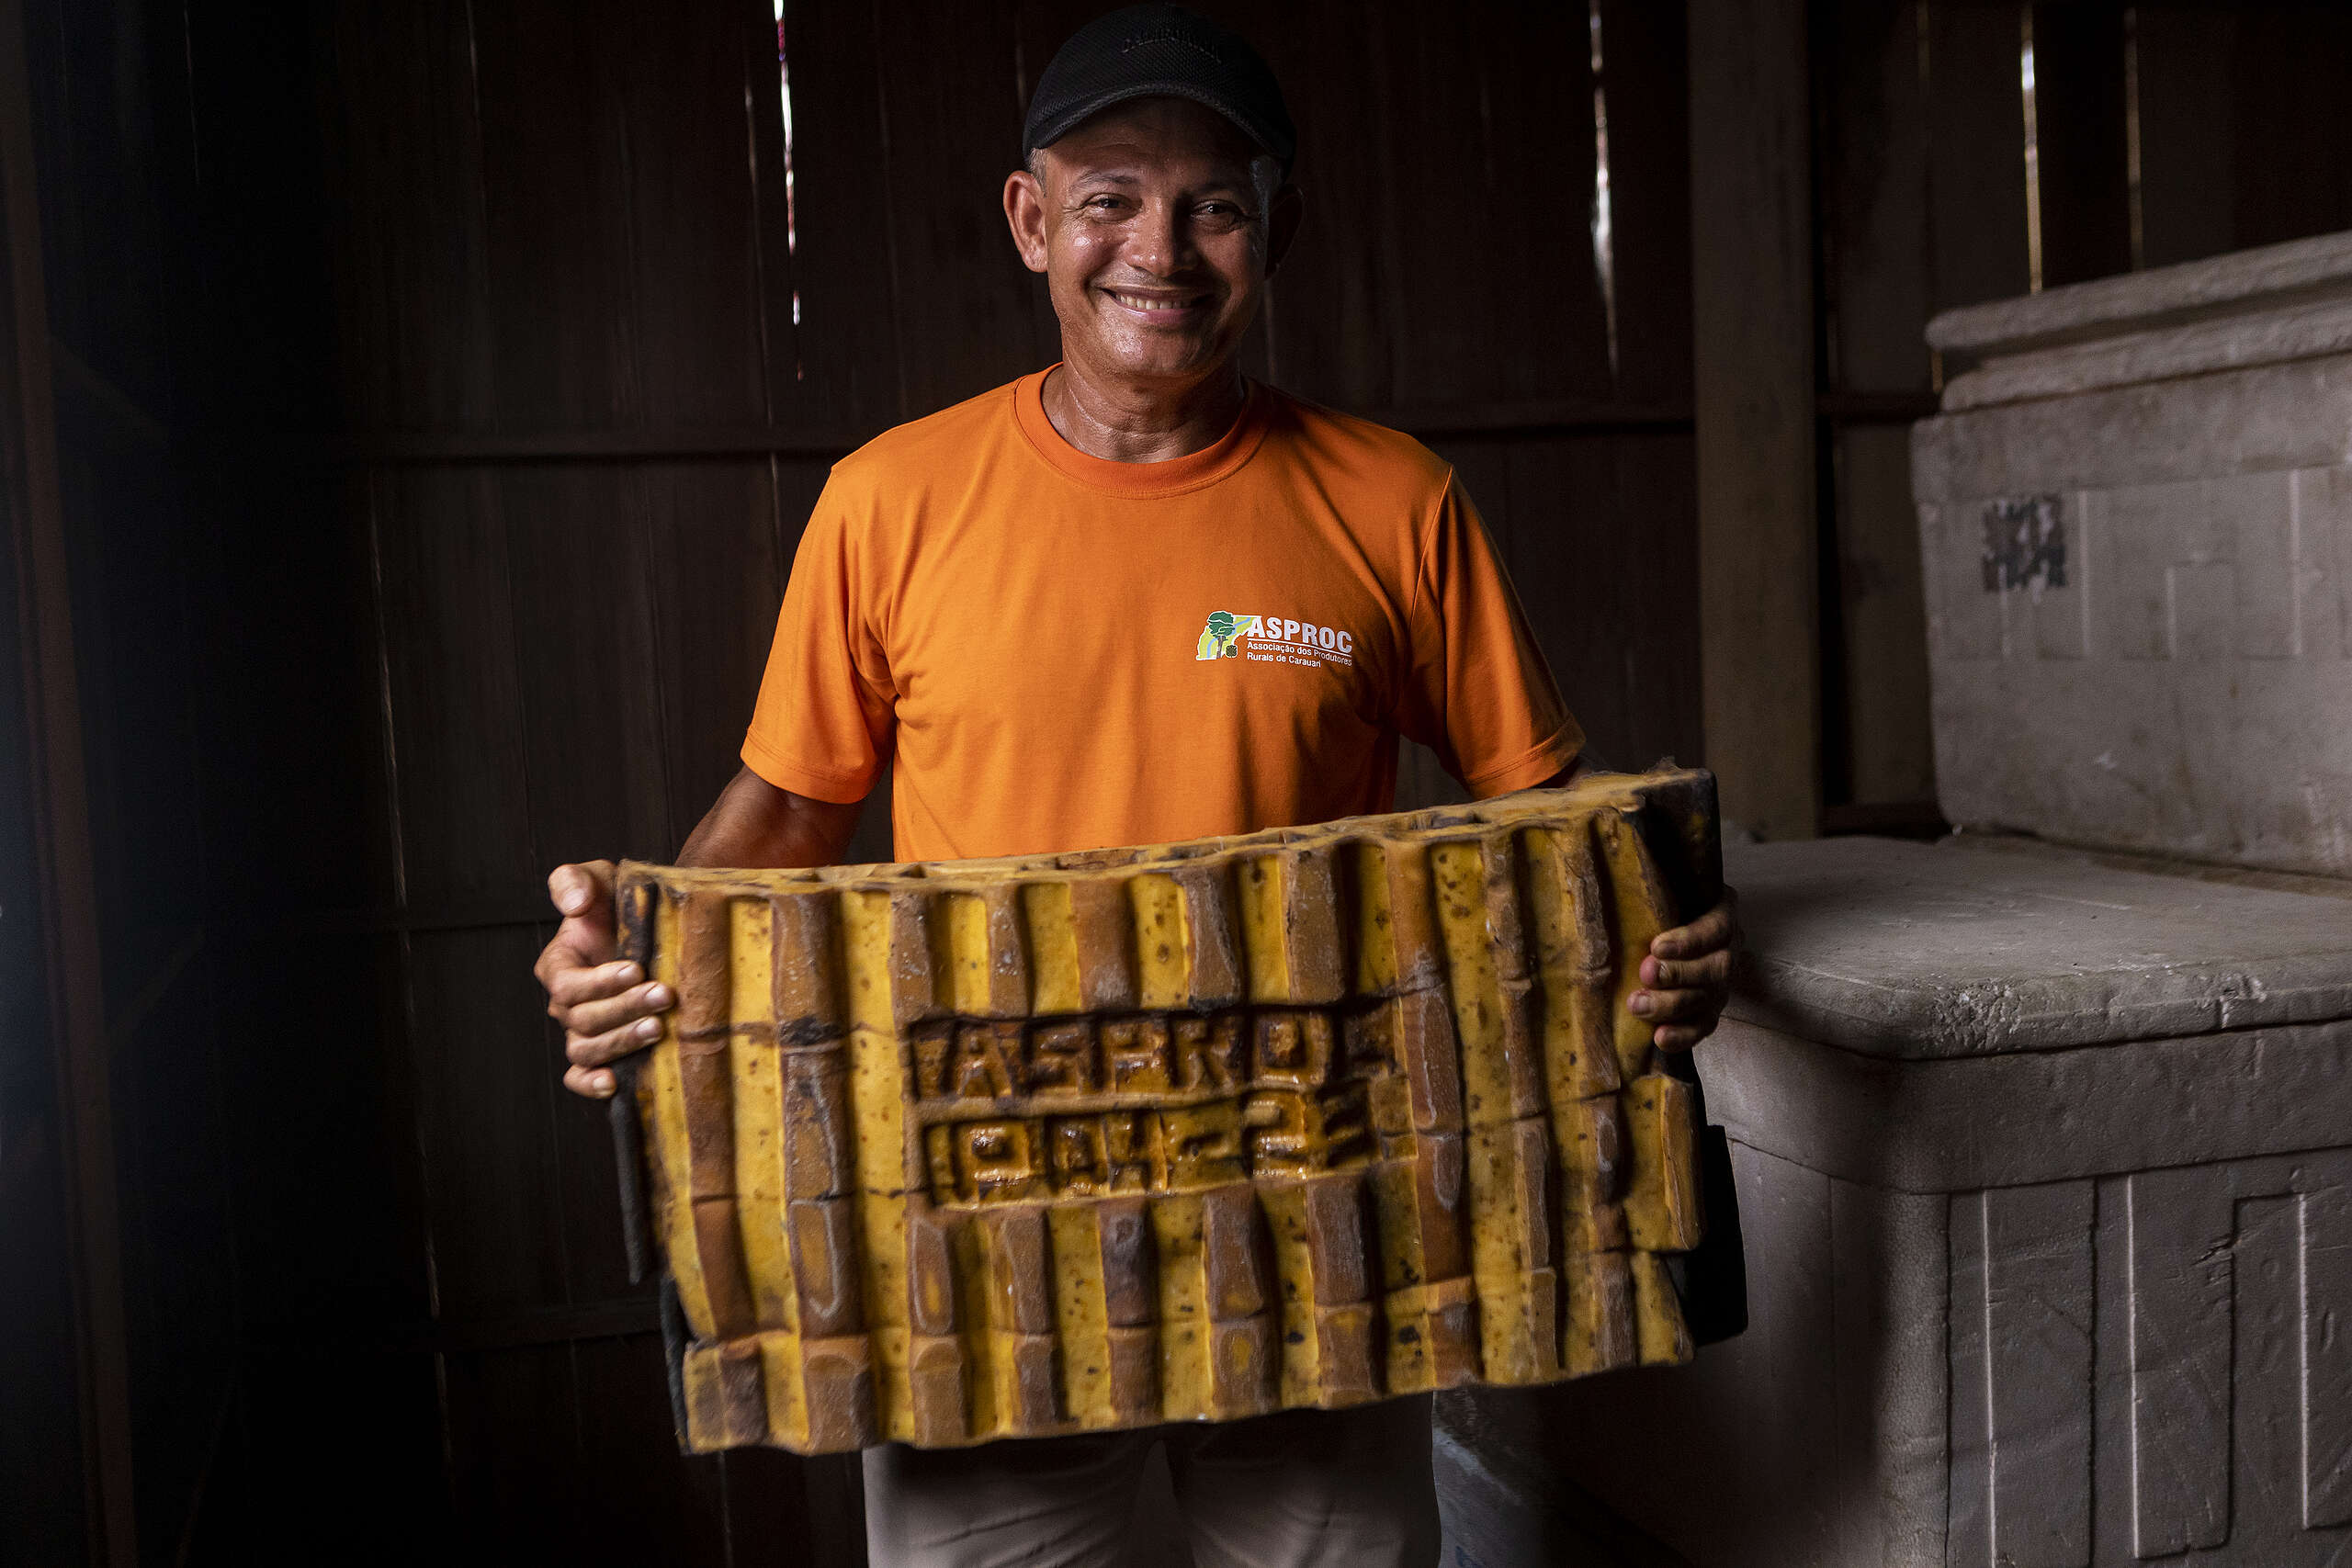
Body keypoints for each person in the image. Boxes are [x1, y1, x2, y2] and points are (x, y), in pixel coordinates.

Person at [533, 7, 1737, 1565]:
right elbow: (782, 821)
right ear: (1034, 221)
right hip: (983, 1252)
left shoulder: (1393, 501)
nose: (1157, 248)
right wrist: (634, 952)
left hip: (1327, 1233)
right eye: (1110, 197)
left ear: (1274, 232)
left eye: (1213, 205)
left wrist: (1667, 928)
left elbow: (1552, 831)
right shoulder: (890, 502)